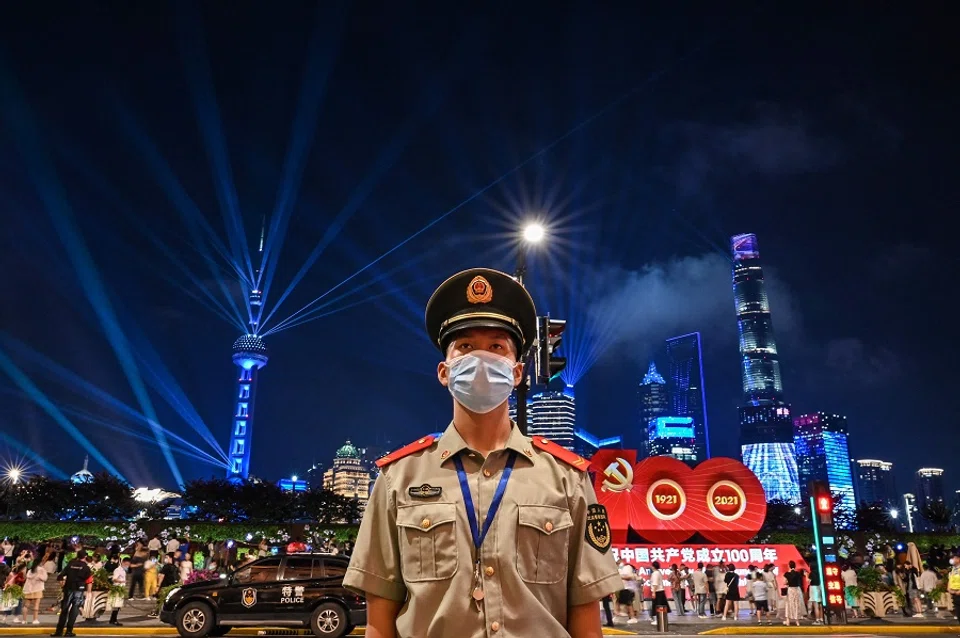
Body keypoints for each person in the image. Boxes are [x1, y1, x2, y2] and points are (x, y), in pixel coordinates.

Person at [344, 268, 621, 638]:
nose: (480, 358)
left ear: (518, 372)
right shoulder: (398, 478)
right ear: (444, 371)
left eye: (496, 347)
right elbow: (380, 621)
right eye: (465, 347)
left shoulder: (567, 479)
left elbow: (585, 617)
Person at [52, 549, 92, 637]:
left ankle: (59, 631)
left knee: (64, 611)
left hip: (68, 589)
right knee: (74, 610)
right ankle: (69, 631)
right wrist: (88, 592)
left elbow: (60, 576)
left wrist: (62, 584)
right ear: (85, 557)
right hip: (79, 590)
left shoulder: (70, 565)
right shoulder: (86, 567)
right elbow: (89, 580)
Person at [22, 557, 48, 624]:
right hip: (38, 588)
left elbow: (27, 578)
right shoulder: (42, 569)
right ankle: (35, 620)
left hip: (29, 589)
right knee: (36, 605)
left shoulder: (30, 570)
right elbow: (44, 578)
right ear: (40, 562)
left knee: (26, 605)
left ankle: (24, 620)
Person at [109, 558, 129, 626]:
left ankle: (113, 619)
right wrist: (122, 581)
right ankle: (113, 620)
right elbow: (114, 579)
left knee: (118, 606)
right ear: (123, 562)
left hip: (121, 588)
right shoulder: (118, 570)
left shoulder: (123, 570)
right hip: (117, 589)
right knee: (116, 605)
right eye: (126, 564)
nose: (127, 566)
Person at [783, 561, 803, 626]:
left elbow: (784, 582)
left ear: (789, 566)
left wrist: (788, 582)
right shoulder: (798, 573)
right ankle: (797, 621)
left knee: (789, 605)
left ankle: (788, 621)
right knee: (796, 605)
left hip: (790, 590)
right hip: (797, 590)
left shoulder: (786, 574)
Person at [947, 555, 960, 625]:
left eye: (953, 558)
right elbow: (950, 579)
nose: (952, 560)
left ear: (958, 559)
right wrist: (948, 588)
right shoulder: (953, 569)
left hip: (959, 592)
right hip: (954, 594)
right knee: (958, 613)